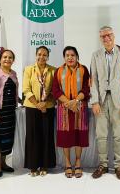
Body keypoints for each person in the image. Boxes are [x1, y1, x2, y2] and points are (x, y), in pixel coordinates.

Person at [90, 26, 120, 180]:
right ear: (100, 38)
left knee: (118, 135)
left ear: (113, 36)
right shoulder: (95, 55)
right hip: (101, 101)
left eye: (108, 35)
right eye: (103, 36)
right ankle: (102, 165)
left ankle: (119, 165)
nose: (106, 38)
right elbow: (93, 80)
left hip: (119, 100)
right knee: (101, 135)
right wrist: (94, 101)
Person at [52, 46, 90, 178]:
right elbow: (55, 90)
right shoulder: (59, 71)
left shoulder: (84, 70)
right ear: (64, 57)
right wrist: (68, 103)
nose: (70, 57)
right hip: (64, 108)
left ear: (77, 56)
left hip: (80, 107)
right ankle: (68, 163)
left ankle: (78, 161)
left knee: (79, 135)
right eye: (67, 55)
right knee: (65, 136)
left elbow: (86, 88)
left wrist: (75, 101)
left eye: (72, 55)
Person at [22, 46, 56, 176]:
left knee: (46, 136)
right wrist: (37, 104)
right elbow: (26, 89)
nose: (42, 57)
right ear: (36, 55)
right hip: (32, 107)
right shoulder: (29, 69)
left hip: (47, 107)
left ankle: (44, 165)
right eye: (39, 54)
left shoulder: (53, 70)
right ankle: (33, 165)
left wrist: (44, 103)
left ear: (48, 56)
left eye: (45, 55)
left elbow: (54, 90)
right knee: (32, 136)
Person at [0, 49, 19, 177]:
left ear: (13, 60)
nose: (7, 59)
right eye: (5, 57)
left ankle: (3, 163)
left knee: (7, 139)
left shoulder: (14, 73)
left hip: (10, 111)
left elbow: (14, 92)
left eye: (10, 57)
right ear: (0, 59)